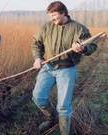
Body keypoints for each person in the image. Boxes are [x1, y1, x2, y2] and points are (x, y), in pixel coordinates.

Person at [31, 1, 97, 134]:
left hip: (67, 69)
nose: (52, 18)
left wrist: (82, 48)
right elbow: (36, 43)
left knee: (63, 106)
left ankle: (64, 131)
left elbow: (92, 47)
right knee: (38, 97)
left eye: (54, 15)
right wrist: (38, 58)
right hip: (48, 67)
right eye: (50, 16)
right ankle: (52, 118)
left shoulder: (78, 28)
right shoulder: (46, 27)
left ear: (63, 13)